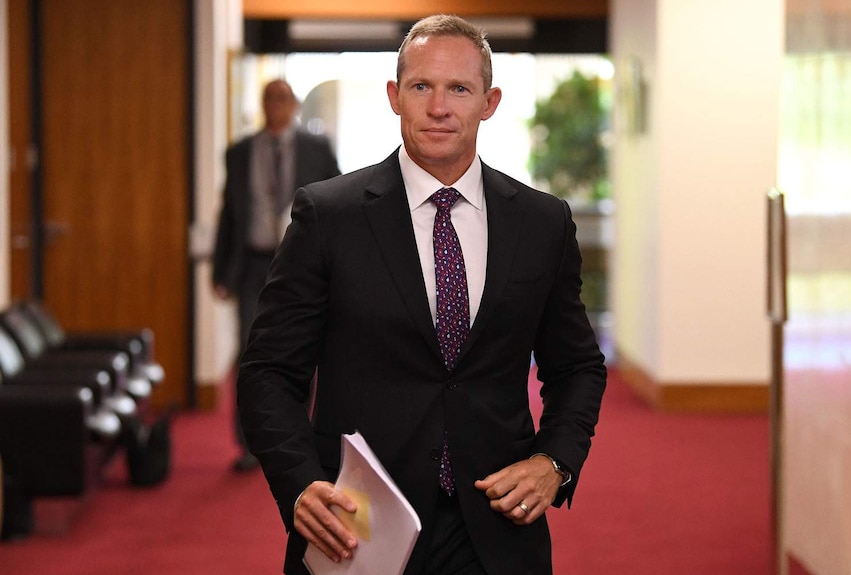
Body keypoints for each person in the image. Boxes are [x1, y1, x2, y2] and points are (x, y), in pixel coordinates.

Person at [238, 14, 606, 575]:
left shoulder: (543, 223)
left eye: (459, 88)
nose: (439, 107)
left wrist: (555, 461)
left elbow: (577, 365)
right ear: (395, 96)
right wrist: (299, 483)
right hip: (357, 526)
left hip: (498, 530)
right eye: (421, 87)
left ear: (490, 101)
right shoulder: (327, 215)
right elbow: (269, 370)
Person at [212, 79, 340, 472]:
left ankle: (299, 432)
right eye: (269, 98)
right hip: (252, 263)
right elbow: (229, 215)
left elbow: (338, 201)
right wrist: (221, 271)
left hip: (301, 261)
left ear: (295, 105)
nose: (276, 106)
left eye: (283, 99)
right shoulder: (238, 153)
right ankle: (251, 444)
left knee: (304, 346)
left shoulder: (316, 150)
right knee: (252, 350)